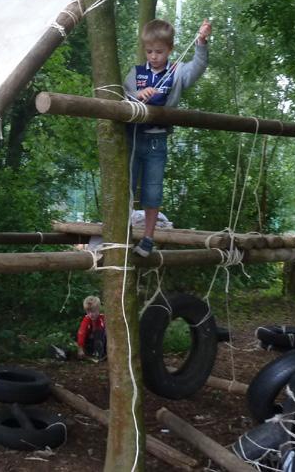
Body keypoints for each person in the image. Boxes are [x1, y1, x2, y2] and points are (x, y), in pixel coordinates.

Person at [123, 18, 212, 257]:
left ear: (169, 50)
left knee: (152, 191)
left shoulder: (177, 72)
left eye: (159, 52)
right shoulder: (136, 73)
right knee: (127, 189)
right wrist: (139, 94)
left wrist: (201, 41)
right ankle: (124, 235)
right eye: (149, 51)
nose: (153, 56)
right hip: (132, 140)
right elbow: (123, 96)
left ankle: (148, 239)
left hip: (157, 140)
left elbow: (198, 67)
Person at [76, 295, 106, 360]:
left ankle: (101, 353)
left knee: (100, 332)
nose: (91, 314)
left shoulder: (102, 318)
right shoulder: (86, 319)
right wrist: (80, 348)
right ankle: (95, 353)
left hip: (101, 342)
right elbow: (82, 333)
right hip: (90, 343)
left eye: (93, 311)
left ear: (98, 309)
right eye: (88, 312)